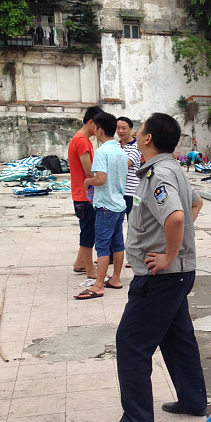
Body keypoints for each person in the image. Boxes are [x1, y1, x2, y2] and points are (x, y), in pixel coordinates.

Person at [99, 112, 206, 422]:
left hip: (161, 276)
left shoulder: (159, 173)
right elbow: (195, 204)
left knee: (131, 342)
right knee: (177, 338)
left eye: (139, 128)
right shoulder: (172, 168)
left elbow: (175, 217)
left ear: (147, 139)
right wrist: (179, 247)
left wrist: (169, 253)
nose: (135, 131)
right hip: (176, 274)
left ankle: (137, 419)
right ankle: (193, 401)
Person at [75, 112, 127, 300]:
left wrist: (88, 182)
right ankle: (115, 279)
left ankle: (98, 285)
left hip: (105, 206)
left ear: (100, 129)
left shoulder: (102, 152)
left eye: (95, 128)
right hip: (119, 205)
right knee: (118, 243)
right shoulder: (121, 152)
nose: (94, 132)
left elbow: (100, 179)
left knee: (103, 247)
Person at [68, 105, 103, 277]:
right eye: (98, 126)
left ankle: (80, 262)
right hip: (85, 196)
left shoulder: (82, 139)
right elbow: (89, 172)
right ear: (91, 122)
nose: (99, 130)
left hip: (83, 194)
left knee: (87, 229)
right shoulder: (81, 141)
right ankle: (90, 268)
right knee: (89, 231)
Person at [116, 116, 141, 217]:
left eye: (124, 128)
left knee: (134, 222)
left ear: (130, 129)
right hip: (118, 192)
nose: (120, 131)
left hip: (132, 192)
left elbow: (125, 165)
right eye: (118, 128)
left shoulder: (137, 146)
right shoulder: (116, 146)